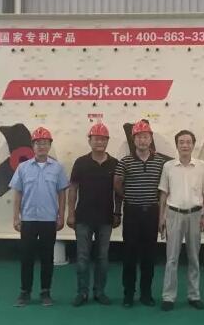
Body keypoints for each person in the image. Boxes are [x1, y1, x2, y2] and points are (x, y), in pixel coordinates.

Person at [10, 126, 69, 307]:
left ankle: (45, 292)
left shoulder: (57, 168)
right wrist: (16, 217)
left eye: (45, 143)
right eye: (38, 143)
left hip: (48, 220)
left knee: (47, 258)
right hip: (28, 219)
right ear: (32, 146)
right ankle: (25, 292)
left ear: (49, 145)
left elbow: (62, 194)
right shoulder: (23, 168)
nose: (41, 146)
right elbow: (18, 193)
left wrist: (61, 216)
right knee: (26, 257)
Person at [158, 130, 204, 311]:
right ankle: (168, 296)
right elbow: (163, 194)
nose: (185, 145)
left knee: (194, 257)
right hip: (173, 214)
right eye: (181, 142)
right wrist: (161, 217)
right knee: (171, 258)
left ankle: (194, 295)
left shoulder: (202, 166)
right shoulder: (168, 167)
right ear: (177, 145)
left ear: (193, 144)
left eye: (188, 142)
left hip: (195, 215)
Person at [114, 120, 167, 307]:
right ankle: (128, 294)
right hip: (132, 213)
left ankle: (146, 294)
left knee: (149, 256)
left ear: (150, 139)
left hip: (151, 212)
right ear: (133, 140)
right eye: (138, 137)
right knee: (129, 255)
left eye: (145, 137)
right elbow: (117, 184)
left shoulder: (160, 162)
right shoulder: (125, 162)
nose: (142, 140)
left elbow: (164, 190)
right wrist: (129, 197)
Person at [67, 122, 121, 307]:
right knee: (82, 257)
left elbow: (118, 191)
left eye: (103, 139)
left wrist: (117, 212)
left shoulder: (114, 163)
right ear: (89, 141)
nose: (100, 142)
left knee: (102, 258)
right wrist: (71, 214)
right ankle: (82, 293)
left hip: (106, 218)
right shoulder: (80, 162)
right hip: (83, 218)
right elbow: (73, 189)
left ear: (107, 141)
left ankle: (100, 292)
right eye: (96, 139)